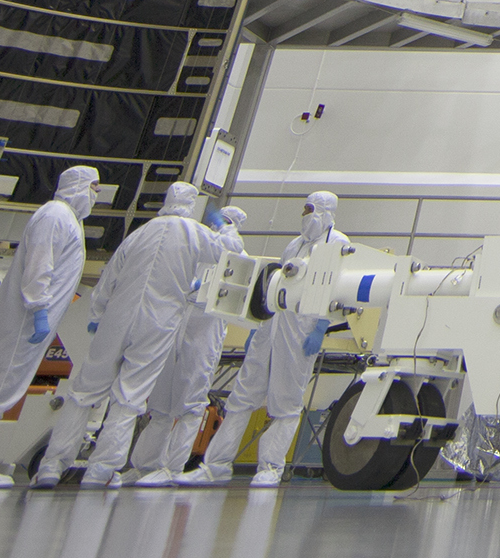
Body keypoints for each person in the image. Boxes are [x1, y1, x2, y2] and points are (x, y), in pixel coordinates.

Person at [34, 181, 226, 488]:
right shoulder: (195, 233)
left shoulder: (141, 233)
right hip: (158, 323)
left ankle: (52, 466)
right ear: (191, 204)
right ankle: (101, 471)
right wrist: (222, 228)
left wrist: (97, 316)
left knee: (84, 392)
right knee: (130, 395)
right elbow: (231, 255)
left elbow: (109, 277)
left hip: (117, 317)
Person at [0, 165, 98, 487]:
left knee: (2, 388)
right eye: (92, 188)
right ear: (77, 186)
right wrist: (39, 308)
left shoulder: (69, 219)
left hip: (31, 321)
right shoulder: (55, 215)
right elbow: (39, 267)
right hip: (24, 320)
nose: (95, 196)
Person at [191, 189, 337, 487]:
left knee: (286, 400)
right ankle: (216, 465)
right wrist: (257, 328)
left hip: (301, 332)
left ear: (325, 211)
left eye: (311, 210)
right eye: (304, 210)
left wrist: (321, 327)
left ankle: (270, 467)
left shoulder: (337, 244)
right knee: (242, 395)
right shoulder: (294, 245)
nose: (306, 216)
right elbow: (274, 287)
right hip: (271, 327)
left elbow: (334, 289)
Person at [133, 205, 247, 485]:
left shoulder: (237, 255)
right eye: (219, 220)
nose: (218, 226)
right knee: (160, 400)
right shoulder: (198, 245)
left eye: (226, 222)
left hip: (205, 330)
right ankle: (145, 465)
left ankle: (172, 468)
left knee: (191, 400)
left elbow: (235, 295)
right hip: (179, 321)